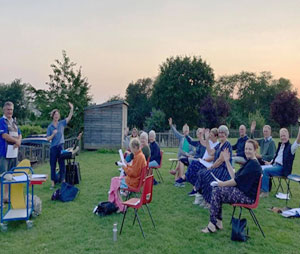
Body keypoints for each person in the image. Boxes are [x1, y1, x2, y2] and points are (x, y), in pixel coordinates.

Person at [201, 139, 262, 233]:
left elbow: (235, 181)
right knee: (218, 190)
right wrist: (227, 161)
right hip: (242, 192)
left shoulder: (253, 165)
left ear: (255, 151)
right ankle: (218, 222)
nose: (247, 151)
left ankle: (212, 224)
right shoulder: (250, 162)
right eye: (246, 149)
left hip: (247, 197)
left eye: (250, 149)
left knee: (217, 191)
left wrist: (222, 184)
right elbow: (235, 176)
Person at [194, 125, 232, 208]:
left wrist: (211, 167)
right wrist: (207, 139)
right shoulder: (219, 144)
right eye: (220, 133)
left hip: (223, 170)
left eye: (223, 133)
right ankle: (202, 196)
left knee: (207, 175)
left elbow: (220, 160)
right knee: (201, 173)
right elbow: (211, 152)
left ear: (226, 134)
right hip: (217, 168)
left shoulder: (227, 144)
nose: (221, 134)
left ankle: (209, 201)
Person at [260, 126, 300, 197]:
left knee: (265, 171)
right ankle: (260, 189)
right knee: (260, 168)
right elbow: (276, 157)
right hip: (274, 165)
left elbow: (298, 140)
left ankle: (265, 192)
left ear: (288, 136)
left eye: (284, 136)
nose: (283, 137)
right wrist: (270, 163)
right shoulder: (280, 146)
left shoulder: (291, 148)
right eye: (281, 136)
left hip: (282, 169)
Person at [108, 138, 146, 211]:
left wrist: (124, 167)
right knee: (115, 181)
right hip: (135, 180)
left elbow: (133, 173)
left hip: (133, 182)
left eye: (131, 149)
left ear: (135, 147)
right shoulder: (140, 155)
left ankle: (120, 206)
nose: (131, 151)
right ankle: (117, 204)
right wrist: (127, 165)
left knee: (114, 182)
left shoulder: (139, 157)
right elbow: (134, 169)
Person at [47, 102, 73, 189]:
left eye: (58, 115)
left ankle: (63, 181)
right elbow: (48, 139)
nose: (56, 116)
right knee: (53, 165)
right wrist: (53, 134)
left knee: (62, 164)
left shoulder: (61, 123)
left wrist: (71, 109)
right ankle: (53, 183)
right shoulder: (50, 127)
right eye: (55, 115)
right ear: (53, 116)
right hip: (53, 148)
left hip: (61, 147)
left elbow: (69, 117)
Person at [0, 101, 22, 202]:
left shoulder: (14, 121)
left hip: (13, 153)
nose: (10, 112)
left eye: (11, 110)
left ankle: (6, 196)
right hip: (4, 153)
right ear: (4, 110)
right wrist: (16, 141)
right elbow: (4, 135)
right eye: (8, 110)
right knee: (2, 175)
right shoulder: (1, 121)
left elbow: (19, 133)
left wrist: (19, 141)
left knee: (11, 175)